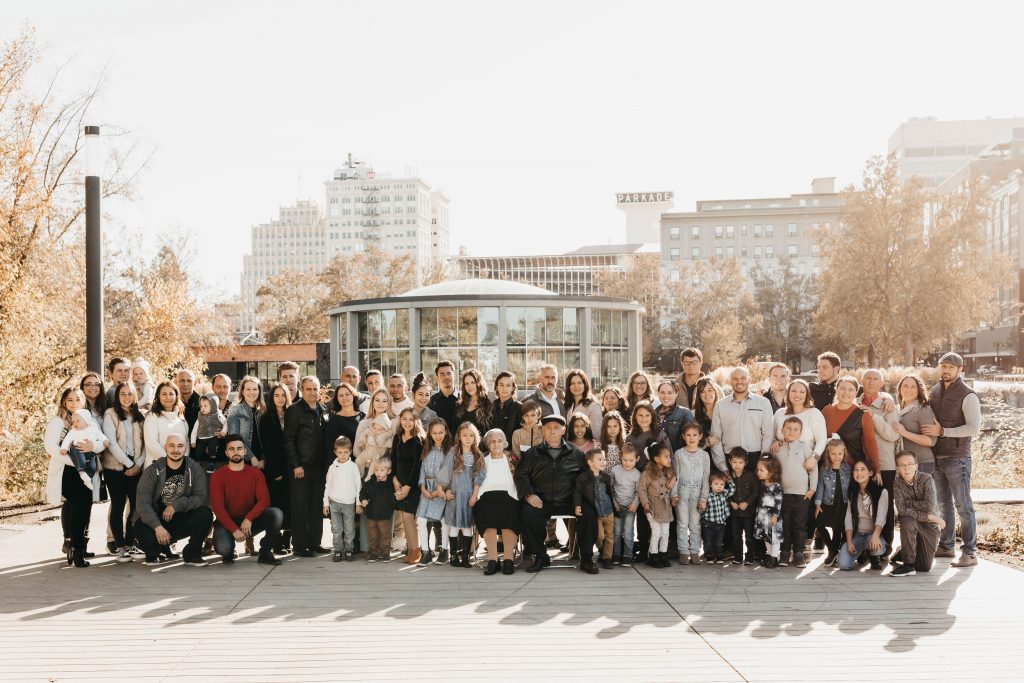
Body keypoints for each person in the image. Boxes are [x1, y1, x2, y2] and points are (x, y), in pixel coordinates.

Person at [923, 352, 981, 568]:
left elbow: (974, 428)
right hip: (936, 457)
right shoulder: (935, 390)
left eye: (951, 367)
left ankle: (970, 552)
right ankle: (947, 546)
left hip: (958, 458)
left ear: (960, 370)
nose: (946, 370)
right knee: (943, 504)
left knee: (963, 505)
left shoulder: (968, 395)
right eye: (943, 366)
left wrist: (943, 432)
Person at [515, 414, 586, 573]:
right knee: (527, 513)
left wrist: (579, 501)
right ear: (543, 431)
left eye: (556, 428)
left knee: (588, 512)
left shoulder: (576, 454)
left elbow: (585, 479)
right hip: (542, 501)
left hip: (568, 501)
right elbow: (520, 476)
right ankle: (540, 556)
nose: (552, 431)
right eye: (548, 428)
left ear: (563, 430)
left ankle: (586, 558)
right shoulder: (532, 453)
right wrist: (528, 494)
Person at [132, 434, 214, 567]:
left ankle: (192, 553)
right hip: (154, 521)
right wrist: (157, 527)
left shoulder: (194, 469)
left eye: (180, 446)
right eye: (172, 445)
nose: (176, 450)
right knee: (152, 554)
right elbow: (143, 504)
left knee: (205, 513)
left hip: (179, 518)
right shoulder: (152, 471)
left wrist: (177, 505)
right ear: (165, 447)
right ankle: (159, 548)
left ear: (185, 448)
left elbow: (201, 498)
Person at [44, 388, 104, 567]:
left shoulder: (89, 419)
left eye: (77, 399)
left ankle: (78, 546)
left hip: (88, 470)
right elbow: (51, 447)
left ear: (84, 401)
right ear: (64, 402)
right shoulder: (58, 422)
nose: (73, 402)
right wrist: (75, 462)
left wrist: (93, 445)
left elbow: (101, 442)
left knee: (85, 507)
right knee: (79, 506)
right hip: (67, 471)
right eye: (69, 399)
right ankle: (77, 550)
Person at [209, 434, 283, 566]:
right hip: (227, 522)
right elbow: (217, 508)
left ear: (244, 451)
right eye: (231, 449)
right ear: (226, 453)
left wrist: (248, 519)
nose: (236, 452)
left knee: (276, 513)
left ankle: (265, 552)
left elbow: (264, 500)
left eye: (239, 448)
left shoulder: (255, 473)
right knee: (224, 550)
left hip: (248, 522)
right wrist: (234, 529)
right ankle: (229, 549)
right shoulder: (218, 476)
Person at [283, 376, 330, 557]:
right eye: (308, 389)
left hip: (319, 468)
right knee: (300, 507)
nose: (312, 392)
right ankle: (300, 545)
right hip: (301, 467)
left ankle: (315, 543)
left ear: (319, 390)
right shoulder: (294, 410)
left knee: (316, 506)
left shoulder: (323, 410)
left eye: (315, 389)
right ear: (302, 390)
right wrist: (296, 464)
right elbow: (288, 439)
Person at [859, 368, 901, 561]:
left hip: (884, 464)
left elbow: (893, 435)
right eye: (868, 378)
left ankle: (885, 547)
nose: (871, 382)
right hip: (860, 465)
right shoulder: (854, 402)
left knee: (884, 505)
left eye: (876, 379)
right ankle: (865, 547)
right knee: (862, 505)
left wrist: (873, 417)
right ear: (862, 380)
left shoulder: (887, 405)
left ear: (881, 384)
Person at [102, 382, 146, 562]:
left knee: (135, 507)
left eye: (130, 394)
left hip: (136, 467)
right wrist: (128, 464)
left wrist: (138, 464)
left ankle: (130, 543)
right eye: (123, 394)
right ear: (117, 396)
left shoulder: (139, 416)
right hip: (116, 468)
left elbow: (145, 444)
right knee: (118, 505)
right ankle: (119, 546)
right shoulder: (110, 414)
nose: (127, 397)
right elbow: (111, 442)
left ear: (135, 396)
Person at [472, 429, 520, 576]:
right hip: (486, 498)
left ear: (505, 442)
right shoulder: (482, 460)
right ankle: (493, 559)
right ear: (487, 444)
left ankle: (508, 559)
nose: (496, 444)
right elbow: (476, 482)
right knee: (486, 512)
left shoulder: (512, 458)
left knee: (509, 513)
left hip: (510, 496)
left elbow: (521, 479)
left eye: (499, 440)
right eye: (492, 441)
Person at [710, 367, 774, 473]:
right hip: (730, 460)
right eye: (735, 378)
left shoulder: (763, 403)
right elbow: (715, 438)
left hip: (756, 459)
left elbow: (768, 435)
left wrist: (763, 461)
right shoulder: (720, 405)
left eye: (743, 378)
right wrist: (722, 466)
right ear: (730, 380)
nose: (739, 381)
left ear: (749, 379)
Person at [891, 450, 945, 577]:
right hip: (917, 520)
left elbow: (929, 505)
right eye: (902, 465)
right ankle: (908, 565)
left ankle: (902, 551)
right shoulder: (897, 483)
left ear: (916, 466)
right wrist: (930, 516)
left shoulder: (926, 479)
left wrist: (908, 503)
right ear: (898, 468)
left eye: (910, 464)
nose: (906, 468)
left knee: (924, 567)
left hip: (930, 525)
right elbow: (902, 510)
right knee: (906, 520)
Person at [776, 417, 817, 568]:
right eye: (788, 428)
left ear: (800, 432)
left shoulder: (805, 448)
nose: (791, 431)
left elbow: (813, 470)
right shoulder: (777, 448)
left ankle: (798, 553)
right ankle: (785, 552)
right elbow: (772, 470)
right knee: (784, 525)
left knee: (800, 526)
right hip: (782, 494)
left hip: (802, 494)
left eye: (795, 429)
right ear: (782, 430)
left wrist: (812, 489)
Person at [416, 419, 455, 566]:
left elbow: (449, 472)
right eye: (434, 433)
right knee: (421, 519)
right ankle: (425, 552)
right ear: (429, 434)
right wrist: (422, 487)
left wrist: (440, 490)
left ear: (445, 432)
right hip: (426, 489)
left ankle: (445, 550)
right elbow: (422, 470)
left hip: (442, 489)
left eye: (440, 432)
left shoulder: (450, 451)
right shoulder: (426, 449)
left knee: (444, 520)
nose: (438, 436)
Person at [446, 422, 485, 568]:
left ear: (475, 438)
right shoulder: (454, 452)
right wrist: (445, 490)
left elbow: (479, 477)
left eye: (471, 436)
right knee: (455, 527)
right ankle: (453, 556)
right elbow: (446, 472)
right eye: (464, 435)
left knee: (468, 527)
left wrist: (474, 495)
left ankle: (465, 558)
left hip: (469, 496)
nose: (468, 438)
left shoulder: (477, 455)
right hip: (455, 494)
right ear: (459, 437)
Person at [259, 384, 292, 554]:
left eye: (283, 395)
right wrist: (277, 471)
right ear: (271, 398)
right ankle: (276, 541)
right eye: (276, 395)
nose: (280, 398)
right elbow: (269, 447)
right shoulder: (266, 418)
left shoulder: (292, 414)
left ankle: (287, 538)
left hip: (291, 467)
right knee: (277, 505)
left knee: (289, 505)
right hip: (276, 469)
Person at [838, 459, 888, 571]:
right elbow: (848, 519)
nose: (859, 473)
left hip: (873, 534)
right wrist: (850, 541)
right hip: (857, 535)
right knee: (843, 565)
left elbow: (881, 517)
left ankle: (873, 555)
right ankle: (862, 552)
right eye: (856, 470)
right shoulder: (852, 492)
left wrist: (875, 536)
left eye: (862, 469)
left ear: (870, 473)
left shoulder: (881, 491)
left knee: (876, 548)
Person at [672, 422, 710, 565]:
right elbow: (677, 475)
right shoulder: (679, 454)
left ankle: (695, 551)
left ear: (700, 436)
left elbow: (706, 478)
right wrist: (674, 494)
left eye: (695, 435)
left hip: (697, 491)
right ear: (683, 436)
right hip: (682, 491)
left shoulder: (704, 455)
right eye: (688, 435)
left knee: (695, 523)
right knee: (682, 523)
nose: (691, 438)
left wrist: (704, 498)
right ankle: (683, 551)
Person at [822, 376, 879, 470]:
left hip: (854, 468)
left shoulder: (862, 413)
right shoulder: (827, 411)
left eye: (851, 389)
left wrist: (876, 469)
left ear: (856, 392)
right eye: (842, 389)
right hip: (829, 467)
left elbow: (870, 442)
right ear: (836, 390)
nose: (846, 393)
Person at [574, 448, 615, 574]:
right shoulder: (583, 477)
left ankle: (607, 558)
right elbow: (577, 491)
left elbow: (610, 493)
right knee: (600, 536)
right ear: (590, 462)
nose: (603, 462)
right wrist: (577, 505)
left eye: (604, 459)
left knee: (609, 536)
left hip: (608, 511)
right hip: (596, 512)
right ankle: (599, 549)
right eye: (600, 459)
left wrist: (615, 506)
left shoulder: (606, 477)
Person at [391, 408, 424, 564]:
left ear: (416, 421)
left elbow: (417, 466)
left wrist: (408, 487)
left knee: (409, 518)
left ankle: (416, 550)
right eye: (404, 419)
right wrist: (395, 481)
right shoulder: (397, 438)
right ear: (400, 420)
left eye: (411, 419)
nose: (407, 422)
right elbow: (393, 461)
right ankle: (411, 550)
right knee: (405, 518)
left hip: (412, 486)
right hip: (399, 483)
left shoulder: (418, 441)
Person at [814, 438, 852, 566]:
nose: (837, 457)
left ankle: (833, 553)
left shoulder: (848, 469)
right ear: (828, 454)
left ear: (844, 453)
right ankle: (832, 549)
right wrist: (818, 502)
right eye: (833, 454)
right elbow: (820, 486)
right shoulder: (824, 469)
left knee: (837, 528)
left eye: (840, 454)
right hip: (827, 502)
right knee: (819, 523)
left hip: (843, 503)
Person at [323, 436, 361, 562]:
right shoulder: (332, 467)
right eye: (340, 452)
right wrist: (326, 504)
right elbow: (327, 485)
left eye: (346, 452)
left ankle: (349, 550)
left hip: (349, 503)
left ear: (350, 451)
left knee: (349, 529)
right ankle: (338, 550)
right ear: (335, 452)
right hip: (334, 502)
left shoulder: (353, 466)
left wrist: (358, 502)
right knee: (336, 529)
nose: (343, 455)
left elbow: (358, 485)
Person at [638, 444, 676, 569]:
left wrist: (673, 497)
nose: (669, 459)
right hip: (652, 507)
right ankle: (653, 555)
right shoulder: (647, 474)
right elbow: (642, 489)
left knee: (665, 532)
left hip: (665, 507)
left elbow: (670, 490)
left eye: (669, 456)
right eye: (666, 456)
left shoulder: (668, 473)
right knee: (656, 532)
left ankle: (662, 554)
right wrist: (645, 504)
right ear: (656, 459)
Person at [770, 378, 827, 460]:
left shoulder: (814, 413)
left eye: (802, 392)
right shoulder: (779, 413)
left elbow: (821, 440)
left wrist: (814, 458)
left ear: (807, 395)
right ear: (788, 393)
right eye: (793, 391)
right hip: (780, 463)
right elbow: (771, 435)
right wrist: (774, 441)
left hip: (806, 462)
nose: (797, 395)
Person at [892, 374, 938, 475]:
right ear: (899, 389)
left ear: (919, 390)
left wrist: (904, 433)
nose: (909, 390)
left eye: (913, 387)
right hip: (903, 464)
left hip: (921, 463)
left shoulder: (923, 409)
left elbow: (931, 441)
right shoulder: (898, 410)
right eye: (905, 386)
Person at [143, 381, 190, 467]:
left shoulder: (180, 415)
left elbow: (186, 441)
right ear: (158, 396)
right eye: (164, 394)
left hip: (179, 465)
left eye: (171, 394)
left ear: (176, 396)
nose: (168, 397)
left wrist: (183, 460)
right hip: (157, 466)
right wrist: (171, 461)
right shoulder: (152, 416)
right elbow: (152, 443)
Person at [359, 457, 397, 562]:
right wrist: (363, 499)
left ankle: (385, 553)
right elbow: (363, 492)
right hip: (371, 514)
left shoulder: (390, 485)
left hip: (385, 515)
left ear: (388, 471)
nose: (378, 473)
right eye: (376, 470)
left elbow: (393, 500)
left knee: (385, 535)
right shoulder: (371, 482)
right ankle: (373, 552)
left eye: (382, 470)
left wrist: (394, 502)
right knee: (372, 535)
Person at [60, 408, 107, 490]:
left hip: (90, 452)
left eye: (77, 421)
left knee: (92, 467)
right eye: (73, 421)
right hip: (77, 449)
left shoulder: (93, 428)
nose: (74, 424)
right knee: (78, 457)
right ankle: (81, 472)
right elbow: (67, 439)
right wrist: (64, 448)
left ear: (86, 420)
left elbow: (101, 436)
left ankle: (87, 479)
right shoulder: (74, 431)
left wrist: (106, 440)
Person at [226, 376, 266, 472]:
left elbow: (267, 438)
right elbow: (234, 438)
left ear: (259, 391)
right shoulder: (235, 410)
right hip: (244, 460)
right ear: (242, 392)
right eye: (248, 389)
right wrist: (251, 457)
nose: (252, 392)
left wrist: (264, 459)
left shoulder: (263, 411)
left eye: (255, 389)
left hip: (263, 462)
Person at [727, 448, 759, 565]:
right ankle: (738, 557)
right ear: (730, 462)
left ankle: (749, 557)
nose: (737, 465)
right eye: (734, 462)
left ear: (745, 463)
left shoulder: (751, 476)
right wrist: (731, 502)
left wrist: (747, 502)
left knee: (749, 536)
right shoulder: (729, 477)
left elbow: (755, 491)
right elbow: (725, 491)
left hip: (748, 512)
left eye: (740, 462)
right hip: (735, 512)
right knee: (736, 536)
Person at [610, 443, 641, 566]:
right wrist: (614, 503)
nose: (628, 463)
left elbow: (639, 491)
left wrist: (635, 504)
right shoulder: (615, 470)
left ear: (637, 459)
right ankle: (616, 554)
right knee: (616, 532)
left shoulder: (637, 474)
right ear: (620, 458)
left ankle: (628, 555)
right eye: (625, 460)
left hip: (630, 507)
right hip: (617, 506)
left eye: (631, 460)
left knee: (628, 532)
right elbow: (610, 488)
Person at [353, 389, 394, 478]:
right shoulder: (364, 423)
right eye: (377, 400)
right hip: (366, 469)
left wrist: (382, 466)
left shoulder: (393, 423)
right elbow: (356, 448)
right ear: (372, 402)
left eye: (384, 401)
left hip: (385, 471)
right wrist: (367, 462)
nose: (380, 403)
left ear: (389, 403)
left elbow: (393, 449)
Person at [754, 455, 784, 568]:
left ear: (771, 472)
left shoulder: (776, 487)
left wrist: (775, 515)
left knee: (774, 538)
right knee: (766, 537)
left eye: (762, 470)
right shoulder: (762, 485)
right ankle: (770, 555)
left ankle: (774, 558)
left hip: (772, 517)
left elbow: (778, 502)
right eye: (758, 470)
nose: (759, 472)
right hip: (762, 516)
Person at [701, 472, 735, 564]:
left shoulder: (724, 493)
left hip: (720, 523)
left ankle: (719, 557)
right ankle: (709, 557)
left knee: (719, 542)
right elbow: (702, 507)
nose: (719, 486)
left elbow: (732, 490)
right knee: (708, 541)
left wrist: (730, 481)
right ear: (710, 485)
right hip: (708, 523)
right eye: (716, 484)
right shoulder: (707, 495)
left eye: (722, 484)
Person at [655, 379, 694, 453]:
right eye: (662, 392)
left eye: (670, 393)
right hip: (655, 459)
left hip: (677, 458)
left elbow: (691, 440)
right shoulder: (652, 413)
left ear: (676, 394)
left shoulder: (685, 413)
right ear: (658, 394)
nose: (666, 396)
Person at [191, 393, 226, 473]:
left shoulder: (218, 415)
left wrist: (223, 432)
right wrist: (193, 441)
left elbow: (226, 423)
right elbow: (195, 429)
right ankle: (198, 464)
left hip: (213, 436)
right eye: (201, 406)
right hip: (202, 438)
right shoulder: (200, 416)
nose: (202, 408)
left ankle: (211, 463)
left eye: (205, 406)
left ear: (213, 405)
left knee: (212, 447)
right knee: (198, 451)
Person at [455, 368, 494, 435]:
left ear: (479, 383)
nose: (469, 386)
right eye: (466, 383)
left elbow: (491, 432)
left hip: (480, 445)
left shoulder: (488, 405)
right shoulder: (459, 405)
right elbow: (454, 429)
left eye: (473, 382)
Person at [691, 377, 724, 454]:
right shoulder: (693, 415)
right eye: (703, 391)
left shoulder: (723, 412)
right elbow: (689, 442)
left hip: (723, 456)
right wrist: (706, 443)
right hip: (701, 456)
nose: (707, 395)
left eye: (710, 390)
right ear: (699, 394)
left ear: (715, 392)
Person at [428, 360, 460, 433]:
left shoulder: (464, 399)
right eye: (442, 374)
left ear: (454, 376)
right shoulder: (431, 401)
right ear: (437, 379)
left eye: (449, 373)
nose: (446, 377)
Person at [492, 371, 522, 447]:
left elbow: (521, 433)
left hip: (511, 452)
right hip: (492, 450)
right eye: (501, 385)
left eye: (508, 385)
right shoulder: (491, 406)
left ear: (513, 388)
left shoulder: (519, 407)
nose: (504, 388)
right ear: (496, 387)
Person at [175, 369, 201, 435]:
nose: (185, 384)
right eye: (182, 380)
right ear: (176, 382)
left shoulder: (203, 403)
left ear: (195, 383)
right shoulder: (170, 403)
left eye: (189, 381)